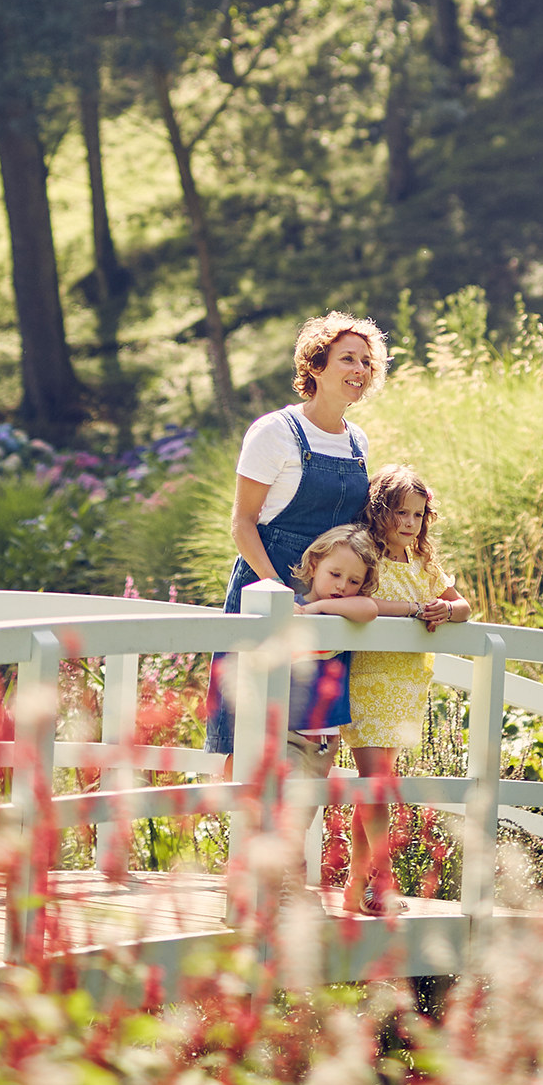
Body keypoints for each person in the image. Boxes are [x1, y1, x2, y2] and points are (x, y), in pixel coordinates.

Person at [205, 311, 388, 770]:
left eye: (367, 362)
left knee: (309, 741)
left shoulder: (356, 442)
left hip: (330, 600)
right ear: (316, 366)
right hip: (267, 594)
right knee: (247, 736)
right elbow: (243, 524)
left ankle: (290, 840)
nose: (360, 371)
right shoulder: (274, 432)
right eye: (348, 358)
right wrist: (281, 595)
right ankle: (245, 836)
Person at [340, 465, 469, 914]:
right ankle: (384, 881)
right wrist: (415, 609)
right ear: (380, 513)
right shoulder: (366, 557)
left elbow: (464, 607)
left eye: (418, 514)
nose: (410, 523)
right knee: (376, 786)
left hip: (406, 686)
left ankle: (358, 887)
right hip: (367, 684)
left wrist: (444, 611)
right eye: (400, 513)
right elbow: (363, 603)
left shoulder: (426, 563)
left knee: (375, 789)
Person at [285, 525, 385, 775]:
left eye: (354, 581)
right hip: (286, 730)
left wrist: (319, 607)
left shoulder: (343, 613)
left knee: (305, 809)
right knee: (283, 806)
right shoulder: (291, 607)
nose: (342, 586)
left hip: (324, 737)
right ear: (313, 566)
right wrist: (309, 609)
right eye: (335, 574)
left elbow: (370, 609)